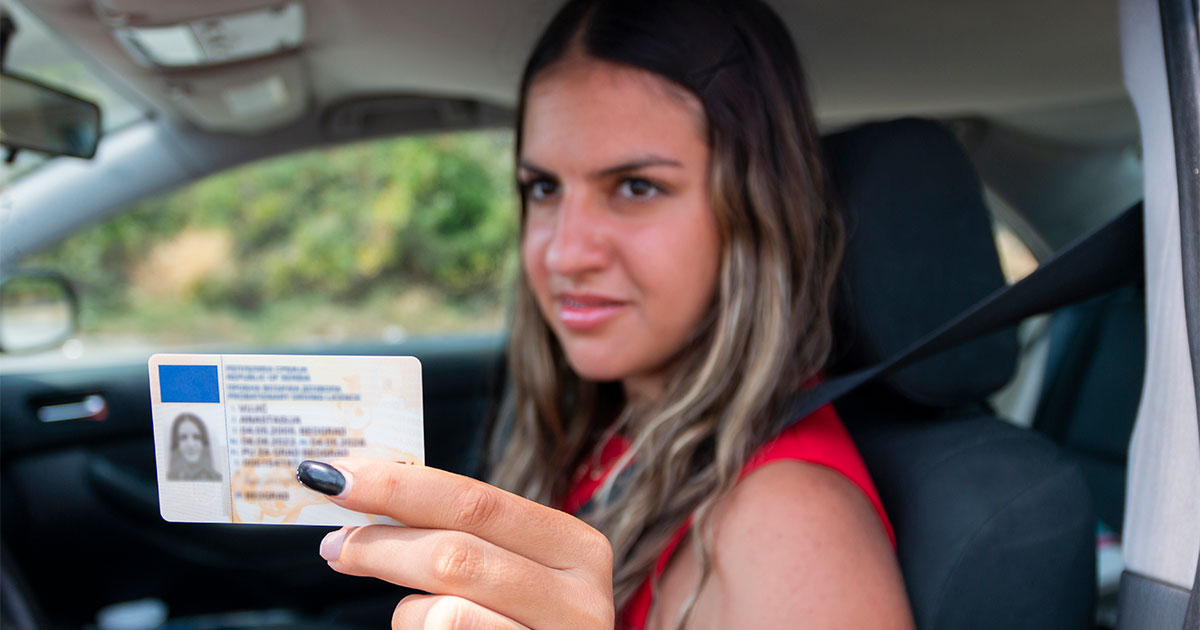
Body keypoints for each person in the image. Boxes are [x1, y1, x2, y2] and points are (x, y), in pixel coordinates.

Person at [294, 0, 914, 627]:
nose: (565, 251)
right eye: (544, 188)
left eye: (636, 187)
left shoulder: (793, 523)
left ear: (757, 214)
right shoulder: (611, 430)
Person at [166, 412, 222, 482]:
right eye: (183, 437)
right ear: (176, 444)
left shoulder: (217, 479)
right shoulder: (169, 478)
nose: (191, 445)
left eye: (197, 437)